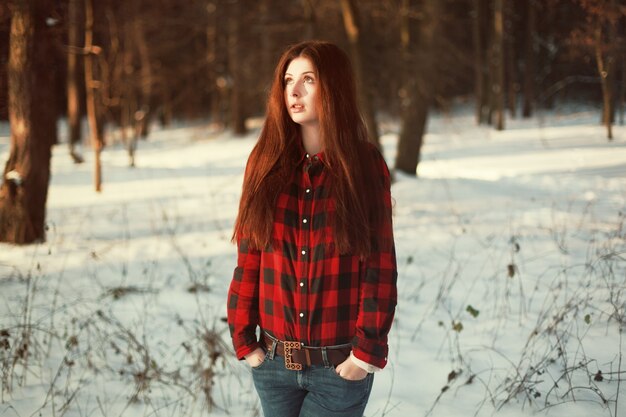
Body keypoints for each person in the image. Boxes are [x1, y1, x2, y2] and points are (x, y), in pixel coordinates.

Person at [227, 40, 397, 417]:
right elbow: (248, 256)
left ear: (333, 88)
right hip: (272, 364)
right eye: (288, 80)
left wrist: (364, 355)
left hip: (337, 369)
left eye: (308, 79)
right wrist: (245, 340)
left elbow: (380, 266)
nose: (294, 91)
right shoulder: (264, 162)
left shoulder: (364, 166)